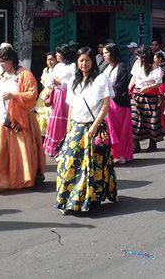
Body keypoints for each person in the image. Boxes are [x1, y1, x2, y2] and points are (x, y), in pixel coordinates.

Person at [0, 47, 46, 194]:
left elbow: (32, 95)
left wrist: (14, 95)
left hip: (20, 121)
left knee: (20, 153)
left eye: (3, 62)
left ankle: (23, 178)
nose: (1, 65)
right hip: (2, 119)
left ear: (11, 60)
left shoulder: (25, 75)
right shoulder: (2, 75)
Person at [55, 47, 117, 213]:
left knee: (92, 166)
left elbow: (105, 106)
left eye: (87, 60)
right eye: (81, 60)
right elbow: (71, 107)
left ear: (93, 62)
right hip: (76, 127)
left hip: (93, 127)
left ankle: (92, 199)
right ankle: (68, 198)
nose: (84, 63)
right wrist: (69, 128)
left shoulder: (101, 79)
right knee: (67, 163)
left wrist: (95, 126)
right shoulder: (74, 81)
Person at [102, 43, 133, 164]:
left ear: (112, 53)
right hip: (108, 103)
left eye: (106, 53)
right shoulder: (105, 67)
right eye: (103, 53)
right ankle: (113, 153)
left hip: (119, 103)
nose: (104, 55)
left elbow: (122, 84)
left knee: (121, 130)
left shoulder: (122, 67)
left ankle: (123, 154)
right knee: (110, 129)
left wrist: (110, 92)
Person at [43, 44, 76, 156]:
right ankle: (54, 146)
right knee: (55, 118)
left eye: (58, 53)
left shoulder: (72, 66)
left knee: (64, 118)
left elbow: (74, 81)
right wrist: (53, 82)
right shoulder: (58, 66)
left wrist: (61, 82)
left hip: (66, 94)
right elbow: (50, 79)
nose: (56, 55)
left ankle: (64, 144)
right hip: (57, 94)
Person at [129, 47, 163, 152]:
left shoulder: (155, 67)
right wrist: (129, 87)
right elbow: (134, 77)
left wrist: (146, 88)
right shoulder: (137, 64)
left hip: (150, 97)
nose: (137, 58)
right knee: (135, 119)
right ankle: (136, 144)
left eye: (139, 56)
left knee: (151, 121)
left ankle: (152, 143)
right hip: (137, 95)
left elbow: (158, 83)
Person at [35, 51, 57, 136]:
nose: (50, 62)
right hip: (44, 94)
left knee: (50, 115)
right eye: (48, 60)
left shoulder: (58, 71)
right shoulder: (45, 70)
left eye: (52, 59)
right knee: (41, 116)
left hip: (54, 94)